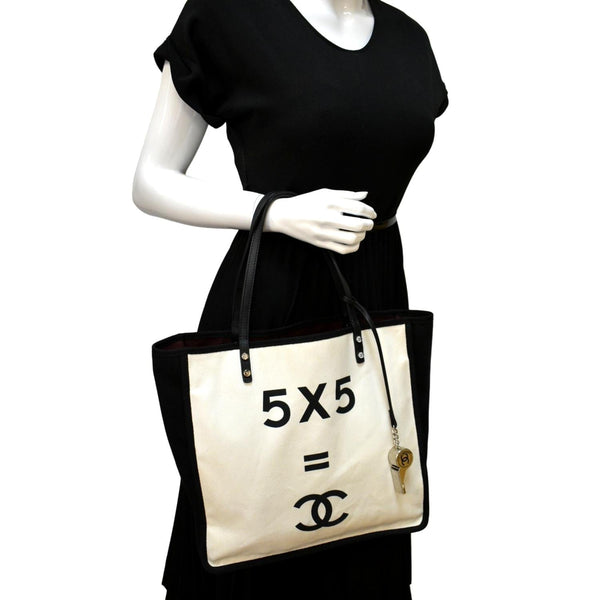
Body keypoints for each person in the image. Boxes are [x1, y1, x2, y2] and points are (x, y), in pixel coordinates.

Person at [132, 1, 449, 598]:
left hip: (376, 292)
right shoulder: (230, 16)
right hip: (275, 294)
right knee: (252, 506)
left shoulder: (410, 38)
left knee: (369, 498)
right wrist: (275, 211)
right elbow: (150, 181)